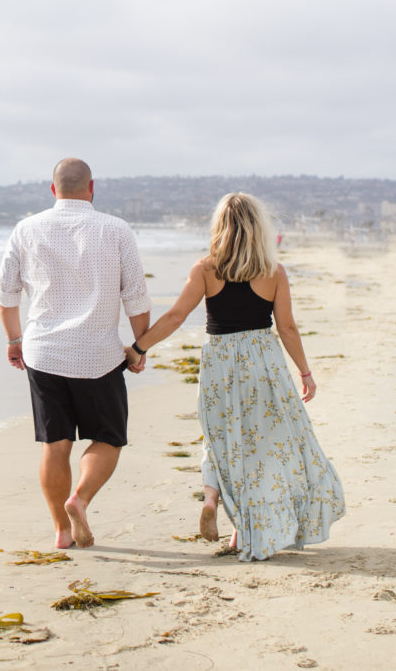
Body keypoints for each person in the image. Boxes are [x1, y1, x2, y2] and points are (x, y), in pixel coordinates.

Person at [127, 192, 345, 561]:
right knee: (264, 445)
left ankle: (212, 497)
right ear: (259, 228)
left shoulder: (205, 269)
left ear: (221, 227)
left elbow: (176, 317)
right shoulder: (273, 272)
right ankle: (246, 528)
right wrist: (305, 371)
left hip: (221, 363)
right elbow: (287, 327)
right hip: (263, 362)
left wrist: (139, 348)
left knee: (222, 435)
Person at [0, 158, 151, 549]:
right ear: (91, 187)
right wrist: (138, 346)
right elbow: (135, 297)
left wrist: (14, 340)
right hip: (98, 353)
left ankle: (61, 532)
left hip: (44, 353)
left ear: (53, 189)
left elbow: (5, 295)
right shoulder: (116, 229)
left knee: (55, 443)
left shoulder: (26, 229)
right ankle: (78, 499)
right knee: (109, 438)